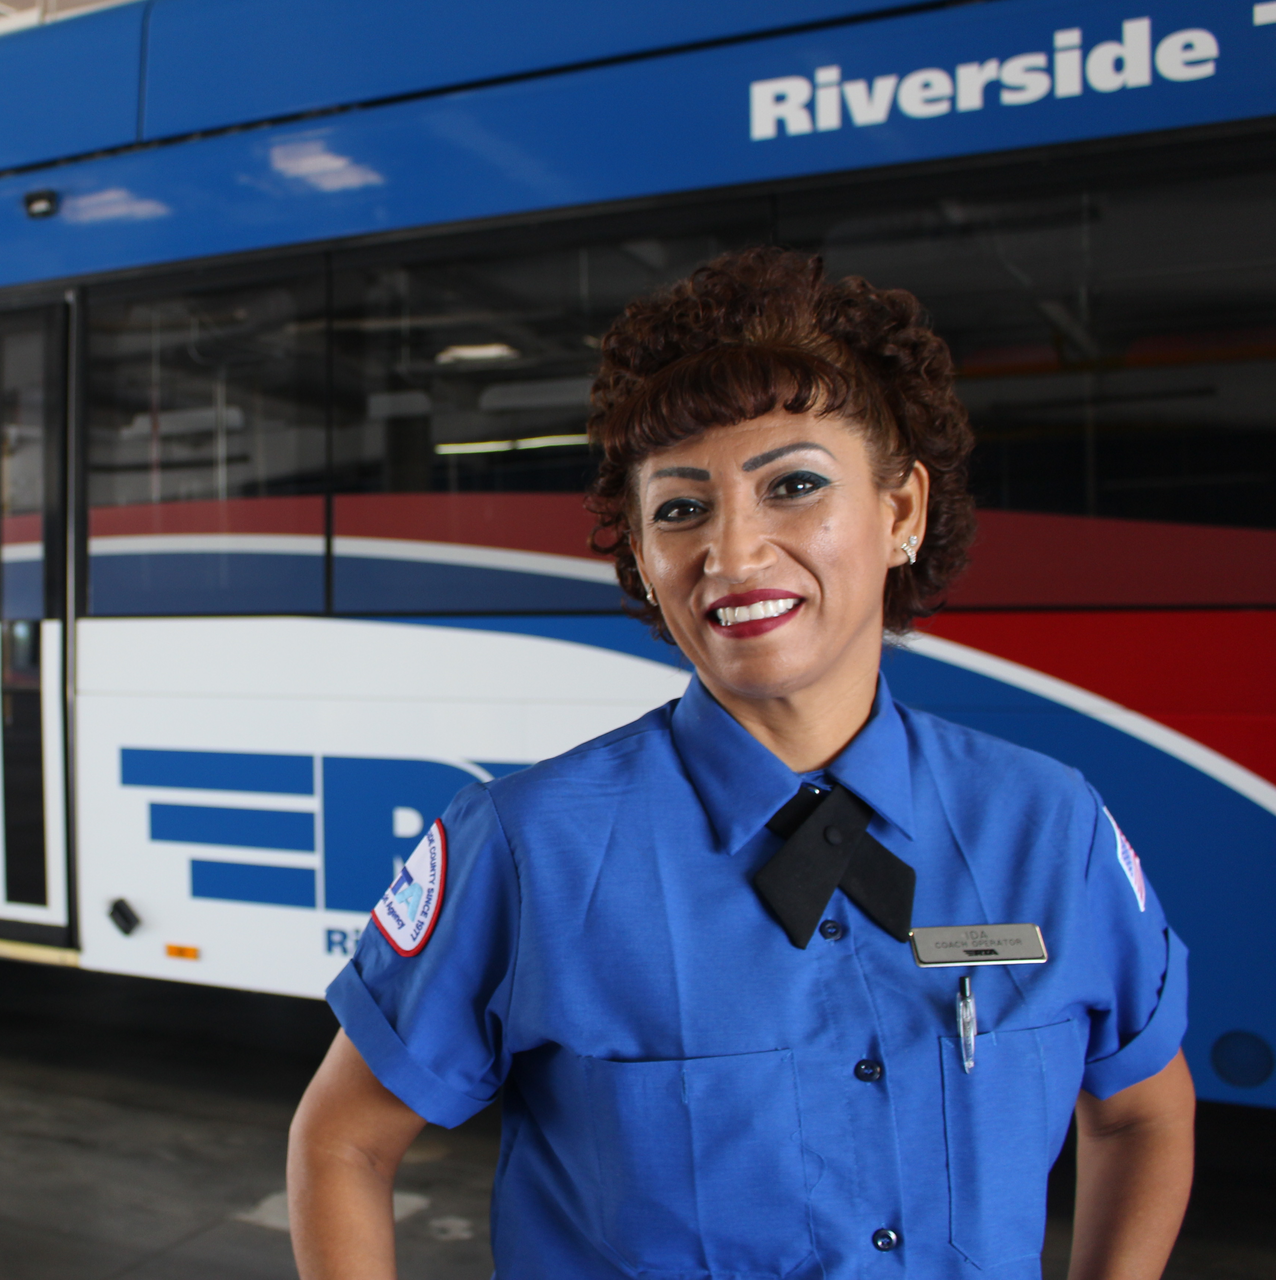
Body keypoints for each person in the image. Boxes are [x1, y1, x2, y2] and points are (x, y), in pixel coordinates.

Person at [286, 248, 1194, 1280]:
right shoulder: (530, 846)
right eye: (681, 508)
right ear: (639, 550)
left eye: (794, 485)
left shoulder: (1050, 827)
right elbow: (343, 1140)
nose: (734, 550)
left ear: (901, 512)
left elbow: (1142, 1114)